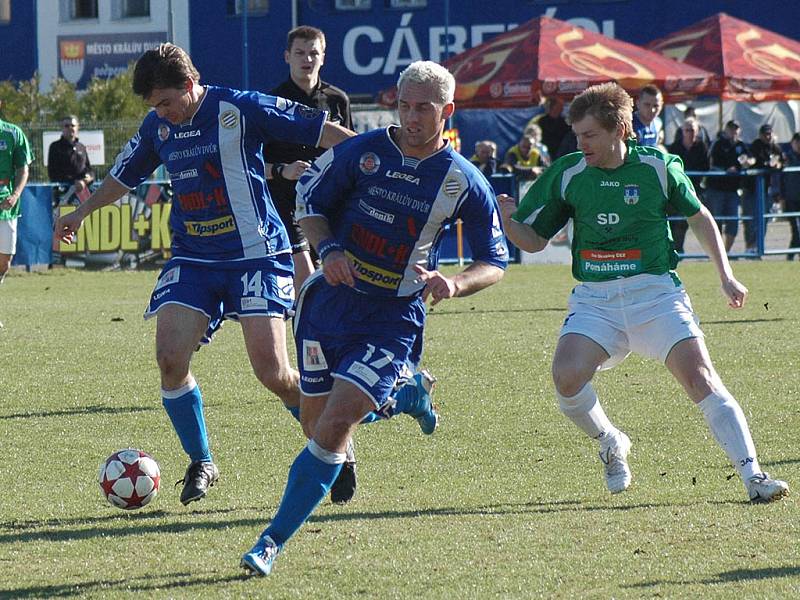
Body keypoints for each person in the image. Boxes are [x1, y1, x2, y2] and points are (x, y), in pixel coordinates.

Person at [55, 43, 354, 507]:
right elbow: (122, 176)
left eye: (166, 103)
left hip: (256, 254)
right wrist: (81, 212)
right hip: (194, 259)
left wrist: (375, 163)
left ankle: (336, 439)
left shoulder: (241, 107)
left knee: (273, 374)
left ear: (190, 86)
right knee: (170, 359)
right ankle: (202, 461)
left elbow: (322, 130)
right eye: (155, 106)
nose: (161, 114)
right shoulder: (159, 126)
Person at [240, 60, 508, 577]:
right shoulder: (360, 152)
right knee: (316, 422)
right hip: (328, 307)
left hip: (392, 318)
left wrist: (454, 282)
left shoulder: (462, 180)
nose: (410, 116)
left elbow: (493, 262)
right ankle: (404, 394)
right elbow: (310, 205)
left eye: (423, 108)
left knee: (336, 426)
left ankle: (270, 542)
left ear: (447, 111)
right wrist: (331, 248)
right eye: (404, 105)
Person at [499, 82, 788, 505]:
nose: (580, 144)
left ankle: (753, 475)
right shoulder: (569, 171)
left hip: (655, 296)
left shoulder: (657, 165)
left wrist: (725, 276)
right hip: (596, 300)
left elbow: (700, 216)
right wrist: (509, 220)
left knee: (702, 379)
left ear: (619, 128)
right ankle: (610, 440)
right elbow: (534, 240)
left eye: (589, 135)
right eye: (577, 135)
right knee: (565, 376)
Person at [265, 26, 352, 293]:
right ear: (287, 57)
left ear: (323, 56)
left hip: (328, 201)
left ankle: (333, 329)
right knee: (306, 278)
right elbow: (254, 164)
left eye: (314, 53)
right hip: (287, 202)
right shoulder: (272, 102)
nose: (308, 59)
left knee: (337, 274)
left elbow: (351, 151)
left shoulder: (337, 99)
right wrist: (283, 170)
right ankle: (307, 330)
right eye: (300, 53)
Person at [0, 100, 33, 328]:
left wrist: (16, 194)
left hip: (6, 203)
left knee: (5, 261)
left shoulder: (13, 132)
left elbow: (24, 168)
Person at [707, 120, 752, 253]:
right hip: (717, 189)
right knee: (716, 223)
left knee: (733, 223)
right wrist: (726, 169)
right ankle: (717, 253)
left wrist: (749, 162)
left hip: (733, 190)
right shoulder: (718, 144)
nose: (734, 131)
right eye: (731, 129)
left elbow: (751, 158)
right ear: (726, 130)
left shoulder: (741, 145)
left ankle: (726, 252)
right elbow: (711, 164)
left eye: (736, 129)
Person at [667, 117, 710, 253]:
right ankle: (674, 249)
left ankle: (679, 249)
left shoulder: (701, 147)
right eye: (687, 130)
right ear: (682, 131)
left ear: (697, 131)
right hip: (677, 188)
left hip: (694, 188)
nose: (690, 133)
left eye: (692, 130)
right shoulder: (675, 146)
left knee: (686, 221)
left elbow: (706, 166)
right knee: (674, 221)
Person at [742, 123, 784, 254]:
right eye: (765, 134)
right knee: (749, 220)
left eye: (769, 133)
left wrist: (779, 164)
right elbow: (754, 161)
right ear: (760, 135)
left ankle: (758, 247)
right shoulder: (755, 146)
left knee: (763, 220)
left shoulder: (775, 148)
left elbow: (783, 161)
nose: (768, 136)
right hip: (751, 189)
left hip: (766, 190)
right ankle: (750, 246)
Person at [47, 115, 94, 205]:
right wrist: (74, 182)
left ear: (77, 127)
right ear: (62, 128)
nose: (70, 128)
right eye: (66, 126)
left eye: (72, 125)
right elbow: (52, 173)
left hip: (82, 194)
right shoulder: (55, 147)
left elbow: (89, 169)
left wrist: (88, 178)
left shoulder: (81, 147)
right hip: (63, 195)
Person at [781, 132, 800, 260]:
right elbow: (780, 179)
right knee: (796, 231)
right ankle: (790, 256)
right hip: (791, 199)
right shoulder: (786, 158)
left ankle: (791, 257)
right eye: (797, 142)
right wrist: (780, 197)